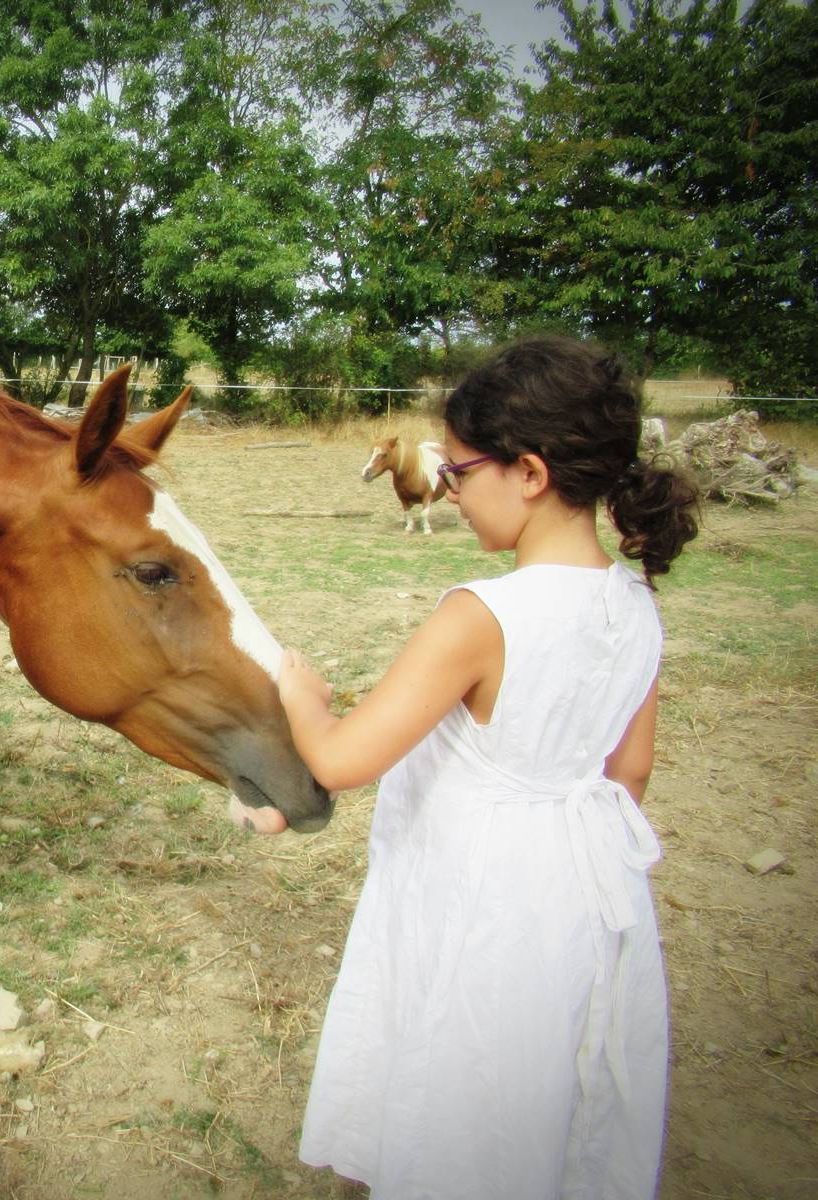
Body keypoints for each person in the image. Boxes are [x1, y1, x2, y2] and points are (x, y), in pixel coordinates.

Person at [276, 336, 699, 1199]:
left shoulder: (481, 615)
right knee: (546, 1077)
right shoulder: (636, 604)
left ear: (531, 474)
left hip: (476, 892)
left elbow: (343, 758)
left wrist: (298, 691)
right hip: (583, 897)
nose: (453, 491)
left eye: (462, 472)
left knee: (460, 1066)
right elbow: (633, 773)